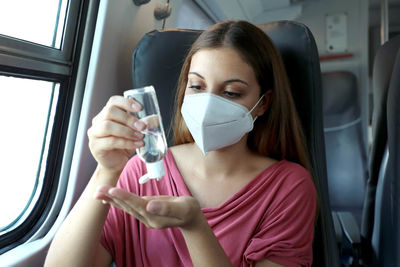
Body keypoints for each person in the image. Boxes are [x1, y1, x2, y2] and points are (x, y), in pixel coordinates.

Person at [45, 20, 316, 267]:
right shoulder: (142, 169)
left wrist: (195, 227)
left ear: (263, 103)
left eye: (231, 92)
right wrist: (106, 171)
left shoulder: (290, 187)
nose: (208, 105)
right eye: (197, 87)